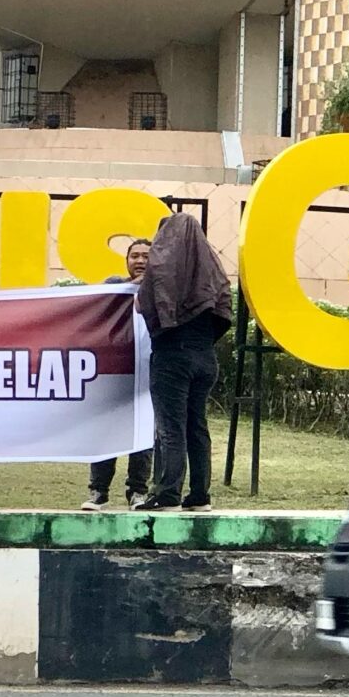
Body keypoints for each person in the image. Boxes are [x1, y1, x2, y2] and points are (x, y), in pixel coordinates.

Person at [137, 212, 232, 512]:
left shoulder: (162, 267)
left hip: (171, 356)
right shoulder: (212, 270)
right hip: (205, 356)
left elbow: (144, 304)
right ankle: (200, 495)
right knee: (197, 426)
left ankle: (167, 493)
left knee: (171, 426)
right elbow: (224, 309)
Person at [84, 235, 155, 509]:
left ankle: (137, 492)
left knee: (143, 434)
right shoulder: (114, 285)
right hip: (114, 372)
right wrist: (133, 286)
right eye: (135, 256)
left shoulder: (163, 288)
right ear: (126, 260)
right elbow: (98, 307)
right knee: (106, 430)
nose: (140, 261)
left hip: (148, 372)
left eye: (146, 256)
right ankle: (98, 492)